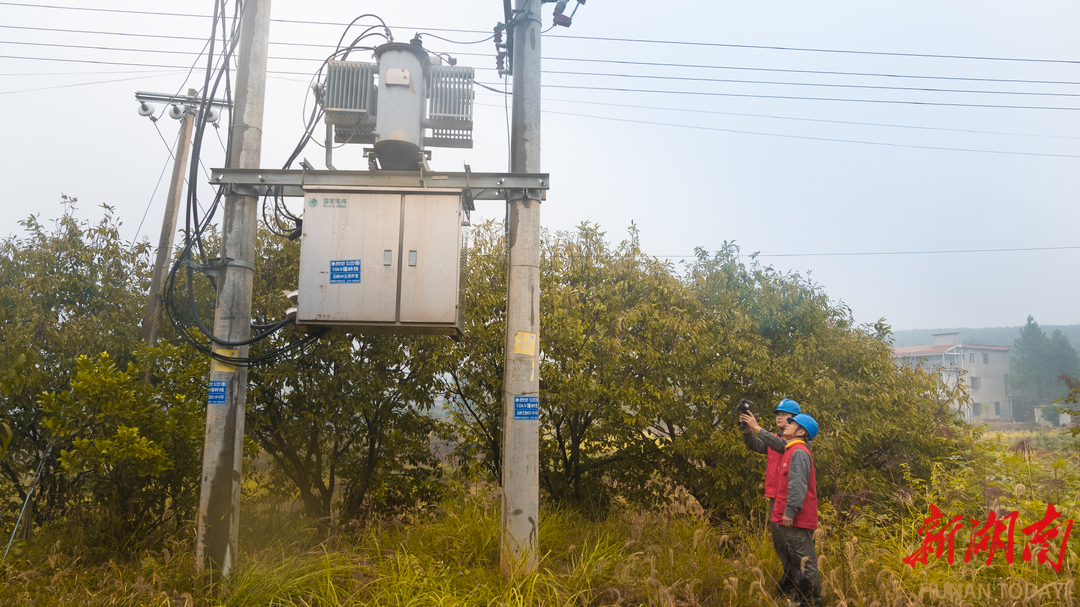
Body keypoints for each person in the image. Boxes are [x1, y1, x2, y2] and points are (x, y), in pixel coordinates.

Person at [740, 399, 801, 599]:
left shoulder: (795, 441)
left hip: (788, 500)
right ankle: (790, 584)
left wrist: (757, 426)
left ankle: (791, 587)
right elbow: (756, 446)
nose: (779, 416)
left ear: (795, 419)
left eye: (784, 414)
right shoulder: (774, 437)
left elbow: (780, 446)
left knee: (790, 545)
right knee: (779, 544)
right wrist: (748, 430)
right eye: (778, 413)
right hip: (774, 498)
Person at [771, 413, 822, 607]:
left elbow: (797, 485)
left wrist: (790, 511)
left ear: (801, 431)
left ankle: (812, 603)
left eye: (792, 423)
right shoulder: (791, 450)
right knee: (796, 561)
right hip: (791, 519)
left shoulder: (799, 452)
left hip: (797, 519)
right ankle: (801, 600)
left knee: (805, 562)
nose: (787, 424)